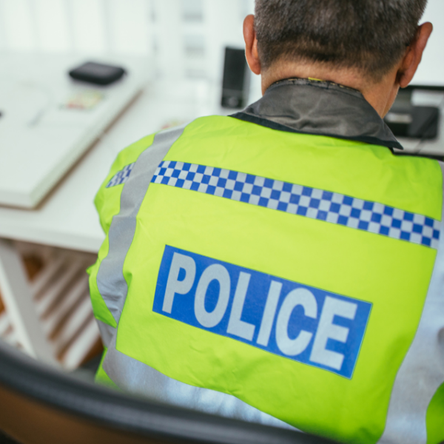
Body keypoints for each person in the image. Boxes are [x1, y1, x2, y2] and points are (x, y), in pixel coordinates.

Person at [88, 1, 444, 443]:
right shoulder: (433, 223)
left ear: (252, 44)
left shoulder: (151, 164)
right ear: (413, 57)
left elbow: (109, 312)